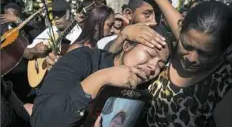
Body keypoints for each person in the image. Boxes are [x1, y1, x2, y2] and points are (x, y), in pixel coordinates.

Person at [132, 0, 232, 127]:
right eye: (186, 46)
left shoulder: (225, 83)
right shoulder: (165, 52)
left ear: (224, 51)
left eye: (205, 54)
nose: (191, 58)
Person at [30, 27, 171, 127]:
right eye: (150, 55)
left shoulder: (144, 94)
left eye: (160, 64)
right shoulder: (83, 59)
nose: (153, 67)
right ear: (127, 46)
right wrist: (103, 77)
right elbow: (42, 121)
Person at [45, 5, 115, 70]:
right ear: (96, 24)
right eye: (109, 25)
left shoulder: (105, 46)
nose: (112, 30)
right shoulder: (79, 49)